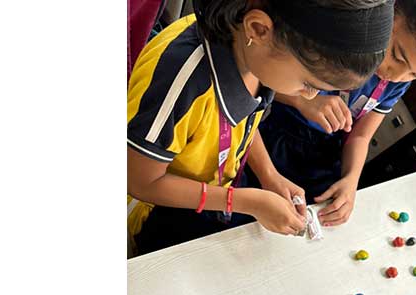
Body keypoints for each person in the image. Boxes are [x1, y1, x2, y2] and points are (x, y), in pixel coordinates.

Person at [128, 0, 395, 255]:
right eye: (309, 84)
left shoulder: (253, 56)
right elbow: (140, 181)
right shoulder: (182, 81)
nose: (310, 97)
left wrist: (269, 176)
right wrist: (241, 201)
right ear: (258, 28)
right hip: (153, 214)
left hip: (206, 195)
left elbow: (238, 122)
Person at [244, 0, 416, 228]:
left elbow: (360, 137)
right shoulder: (336, 40)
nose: (396, 75)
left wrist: (351, 181)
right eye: (396, 55)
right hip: (264, 133)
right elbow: (254, 84)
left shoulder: (395, 82)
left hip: (318, 154)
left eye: (415, 75)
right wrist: (305, 100)